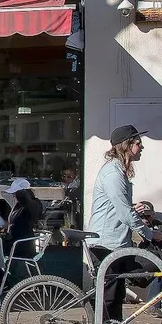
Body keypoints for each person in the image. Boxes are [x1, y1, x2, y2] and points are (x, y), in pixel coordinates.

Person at [87, 125, 162, 322]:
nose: (142, 147)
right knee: (109, 298)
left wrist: (133, 209)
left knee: (117, 295)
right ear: (126, 145)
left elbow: (120, 208)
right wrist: (149, 233)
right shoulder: (113, 173)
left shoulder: (119, 171)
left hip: (117, 243)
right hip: (106, 243)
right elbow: (124, 213)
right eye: (138, 143)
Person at [4, 178, 42, 256]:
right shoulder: (20, 205)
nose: (13, 196)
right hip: (18, 242)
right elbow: (1, 189)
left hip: (21, 245)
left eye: (15, 193)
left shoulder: (31, 206)